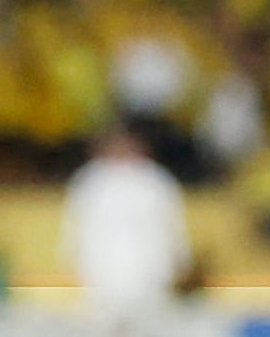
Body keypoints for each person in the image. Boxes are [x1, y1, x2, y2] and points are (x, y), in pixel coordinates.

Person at [61, 121, 189, 317]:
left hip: (151, 271)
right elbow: (74, 226)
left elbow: (173, 226)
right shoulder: (90, 180)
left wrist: (179, 258)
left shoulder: (156, 180)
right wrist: (71, 255)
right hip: (100, 273)